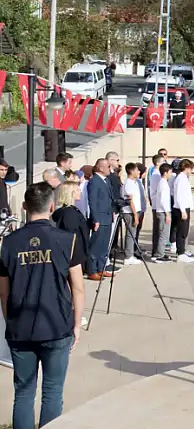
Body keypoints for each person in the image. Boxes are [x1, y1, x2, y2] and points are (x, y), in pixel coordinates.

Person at [0, 183, 86, 429]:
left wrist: (11, 322)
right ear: (52, 206)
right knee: (52, 392)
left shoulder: (8, 243)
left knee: (24, 394)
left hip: (21, 328)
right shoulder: (67, 240)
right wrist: (76, 324)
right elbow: (78, 288)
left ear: (25, 207)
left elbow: (3, 293)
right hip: (56, 325)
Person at [84, 159, 114, 281]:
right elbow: (93, 201)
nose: (110, 168)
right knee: (96, 245)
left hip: (107, 217)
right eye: (108, 166)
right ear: (101, 168)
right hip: (100, 218)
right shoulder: (94, 181)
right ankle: (92, 270)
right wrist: (95, 219)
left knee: (104, 244)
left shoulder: (106, 180)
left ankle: (101, 268)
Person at [51, 182, 88, 275]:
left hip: (76, 254)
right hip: (73, 256)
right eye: (77, 190)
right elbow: (70, 236)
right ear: (70, 193)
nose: (80, 192)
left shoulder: (70, 210)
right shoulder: (69, 213)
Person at [119, 163, 145, 265]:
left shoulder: (133, 182)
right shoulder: (129, 183)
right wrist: (135, 215)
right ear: (132, 171)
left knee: (132, 234)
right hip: (130, 212)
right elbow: (130, 201)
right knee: (130, 234)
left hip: (134, 211)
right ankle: (128, 256)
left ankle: (130, 254)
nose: (138, 172)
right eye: (137, 170)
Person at [171, 160, 194, 262]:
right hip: (182, 208)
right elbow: (179, 196)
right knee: (182, 231)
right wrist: (183, 211)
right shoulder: (181, 179)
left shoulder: (183, 178)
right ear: (187, 168)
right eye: (190, 168)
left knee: (182, 231)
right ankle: (180, 253)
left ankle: (181, 250)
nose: (191, 171)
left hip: (184, 207)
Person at [150, 163, 174, 262]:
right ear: (165, 173)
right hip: (163, 212)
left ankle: (159, 253)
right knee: (164, 234)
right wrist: (168, 213)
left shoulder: (162, 183)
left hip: (161, 211)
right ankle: (160, 255)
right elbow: (164, 200)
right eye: (170, 172)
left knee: (162, 233)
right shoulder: (163, 184)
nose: (171, 174)